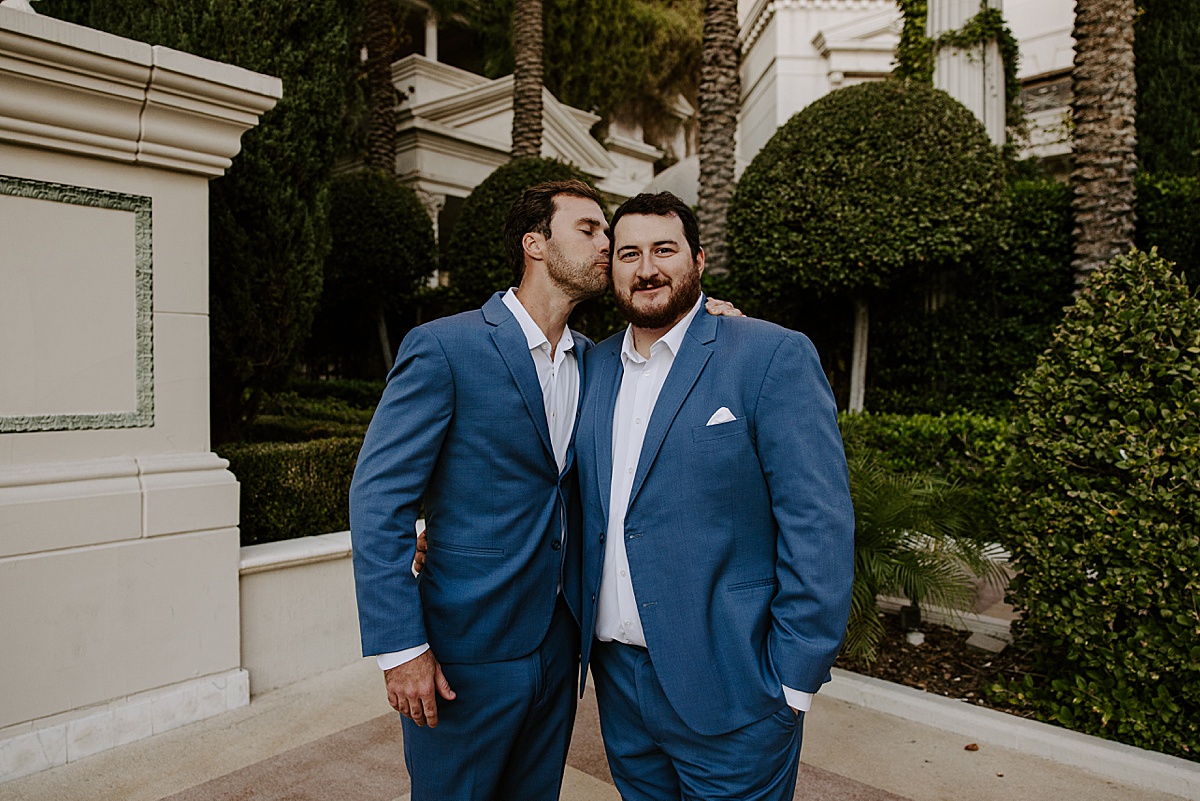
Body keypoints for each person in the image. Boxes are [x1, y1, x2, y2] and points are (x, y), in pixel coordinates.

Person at [350, 180, 738, 801]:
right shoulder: (445, 348)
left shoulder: (599, 360)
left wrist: (714, 321)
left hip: (561, 648)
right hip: (465, 650)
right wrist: (400, 648)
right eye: (589, 230)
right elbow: (377, 500)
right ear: (536, 244)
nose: (607, 245)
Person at [571, 192, 855, 801]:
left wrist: (793, 681)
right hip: (619, 685)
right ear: (611, 270)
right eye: (628, 254)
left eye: (663, 250)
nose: (646, 268)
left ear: (698, 261)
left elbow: (818, 523)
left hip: (737, 685)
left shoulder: (769, 354)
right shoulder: (591, 368)